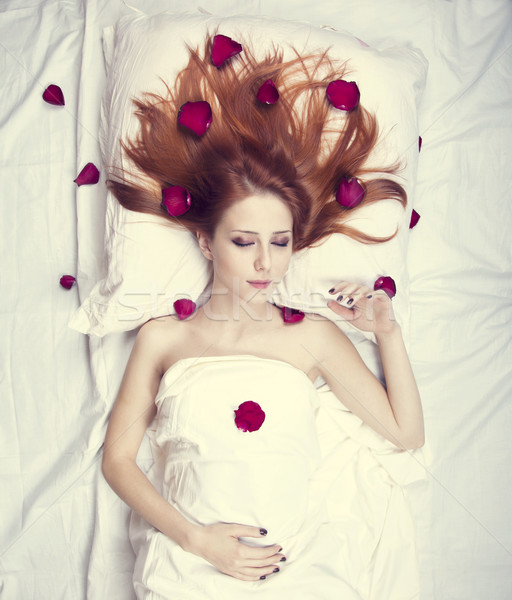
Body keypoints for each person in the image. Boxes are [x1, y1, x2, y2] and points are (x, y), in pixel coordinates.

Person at [101, 35, 424, 599]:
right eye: (244, 241)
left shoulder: (315, 337)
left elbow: (405, 434)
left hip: (299, 565)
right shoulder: (162, 337)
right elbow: (118, 461)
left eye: (279, 242)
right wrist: (198, 541)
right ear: (206, 242)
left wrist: (387, 333)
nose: (264, 262)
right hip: (192, 561)